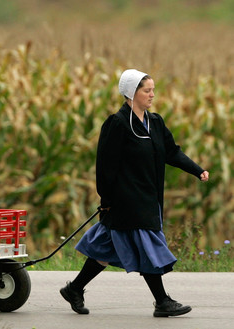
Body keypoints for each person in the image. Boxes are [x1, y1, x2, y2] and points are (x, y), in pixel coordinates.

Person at [60, 69, 209, 317]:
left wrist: (197, 170)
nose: (152, 95)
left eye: (153, 90)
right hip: (126, 202)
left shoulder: (156, 122)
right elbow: (105, 167)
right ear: (131, 93)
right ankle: (162, 302)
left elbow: (172, 152)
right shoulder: (117, 124)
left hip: (149, 199)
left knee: (106, 249)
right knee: (147, 246)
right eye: (146, 90)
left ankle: (74, 288)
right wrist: (106, 201)